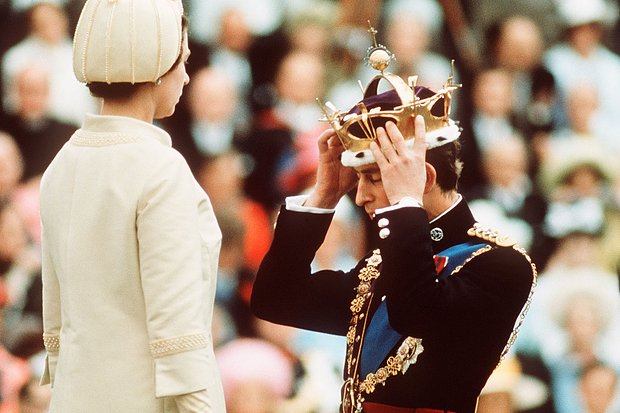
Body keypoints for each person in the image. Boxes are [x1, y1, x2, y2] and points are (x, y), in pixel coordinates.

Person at [251, 31, 537, 413]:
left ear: (425, 179)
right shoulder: (379, 269)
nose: (360, 196)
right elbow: (276, 301)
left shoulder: (501, 264)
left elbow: (416, 311)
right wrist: (323, 196)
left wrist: (406, 203)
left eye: (374, 178)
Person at [38, 0, 225, 412]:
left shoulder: (61, 165)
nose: (187, 76)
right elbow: (178, 336)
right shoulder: (160, 170)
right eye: (183, 62)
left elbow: (56, 330)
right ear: (157, 68)